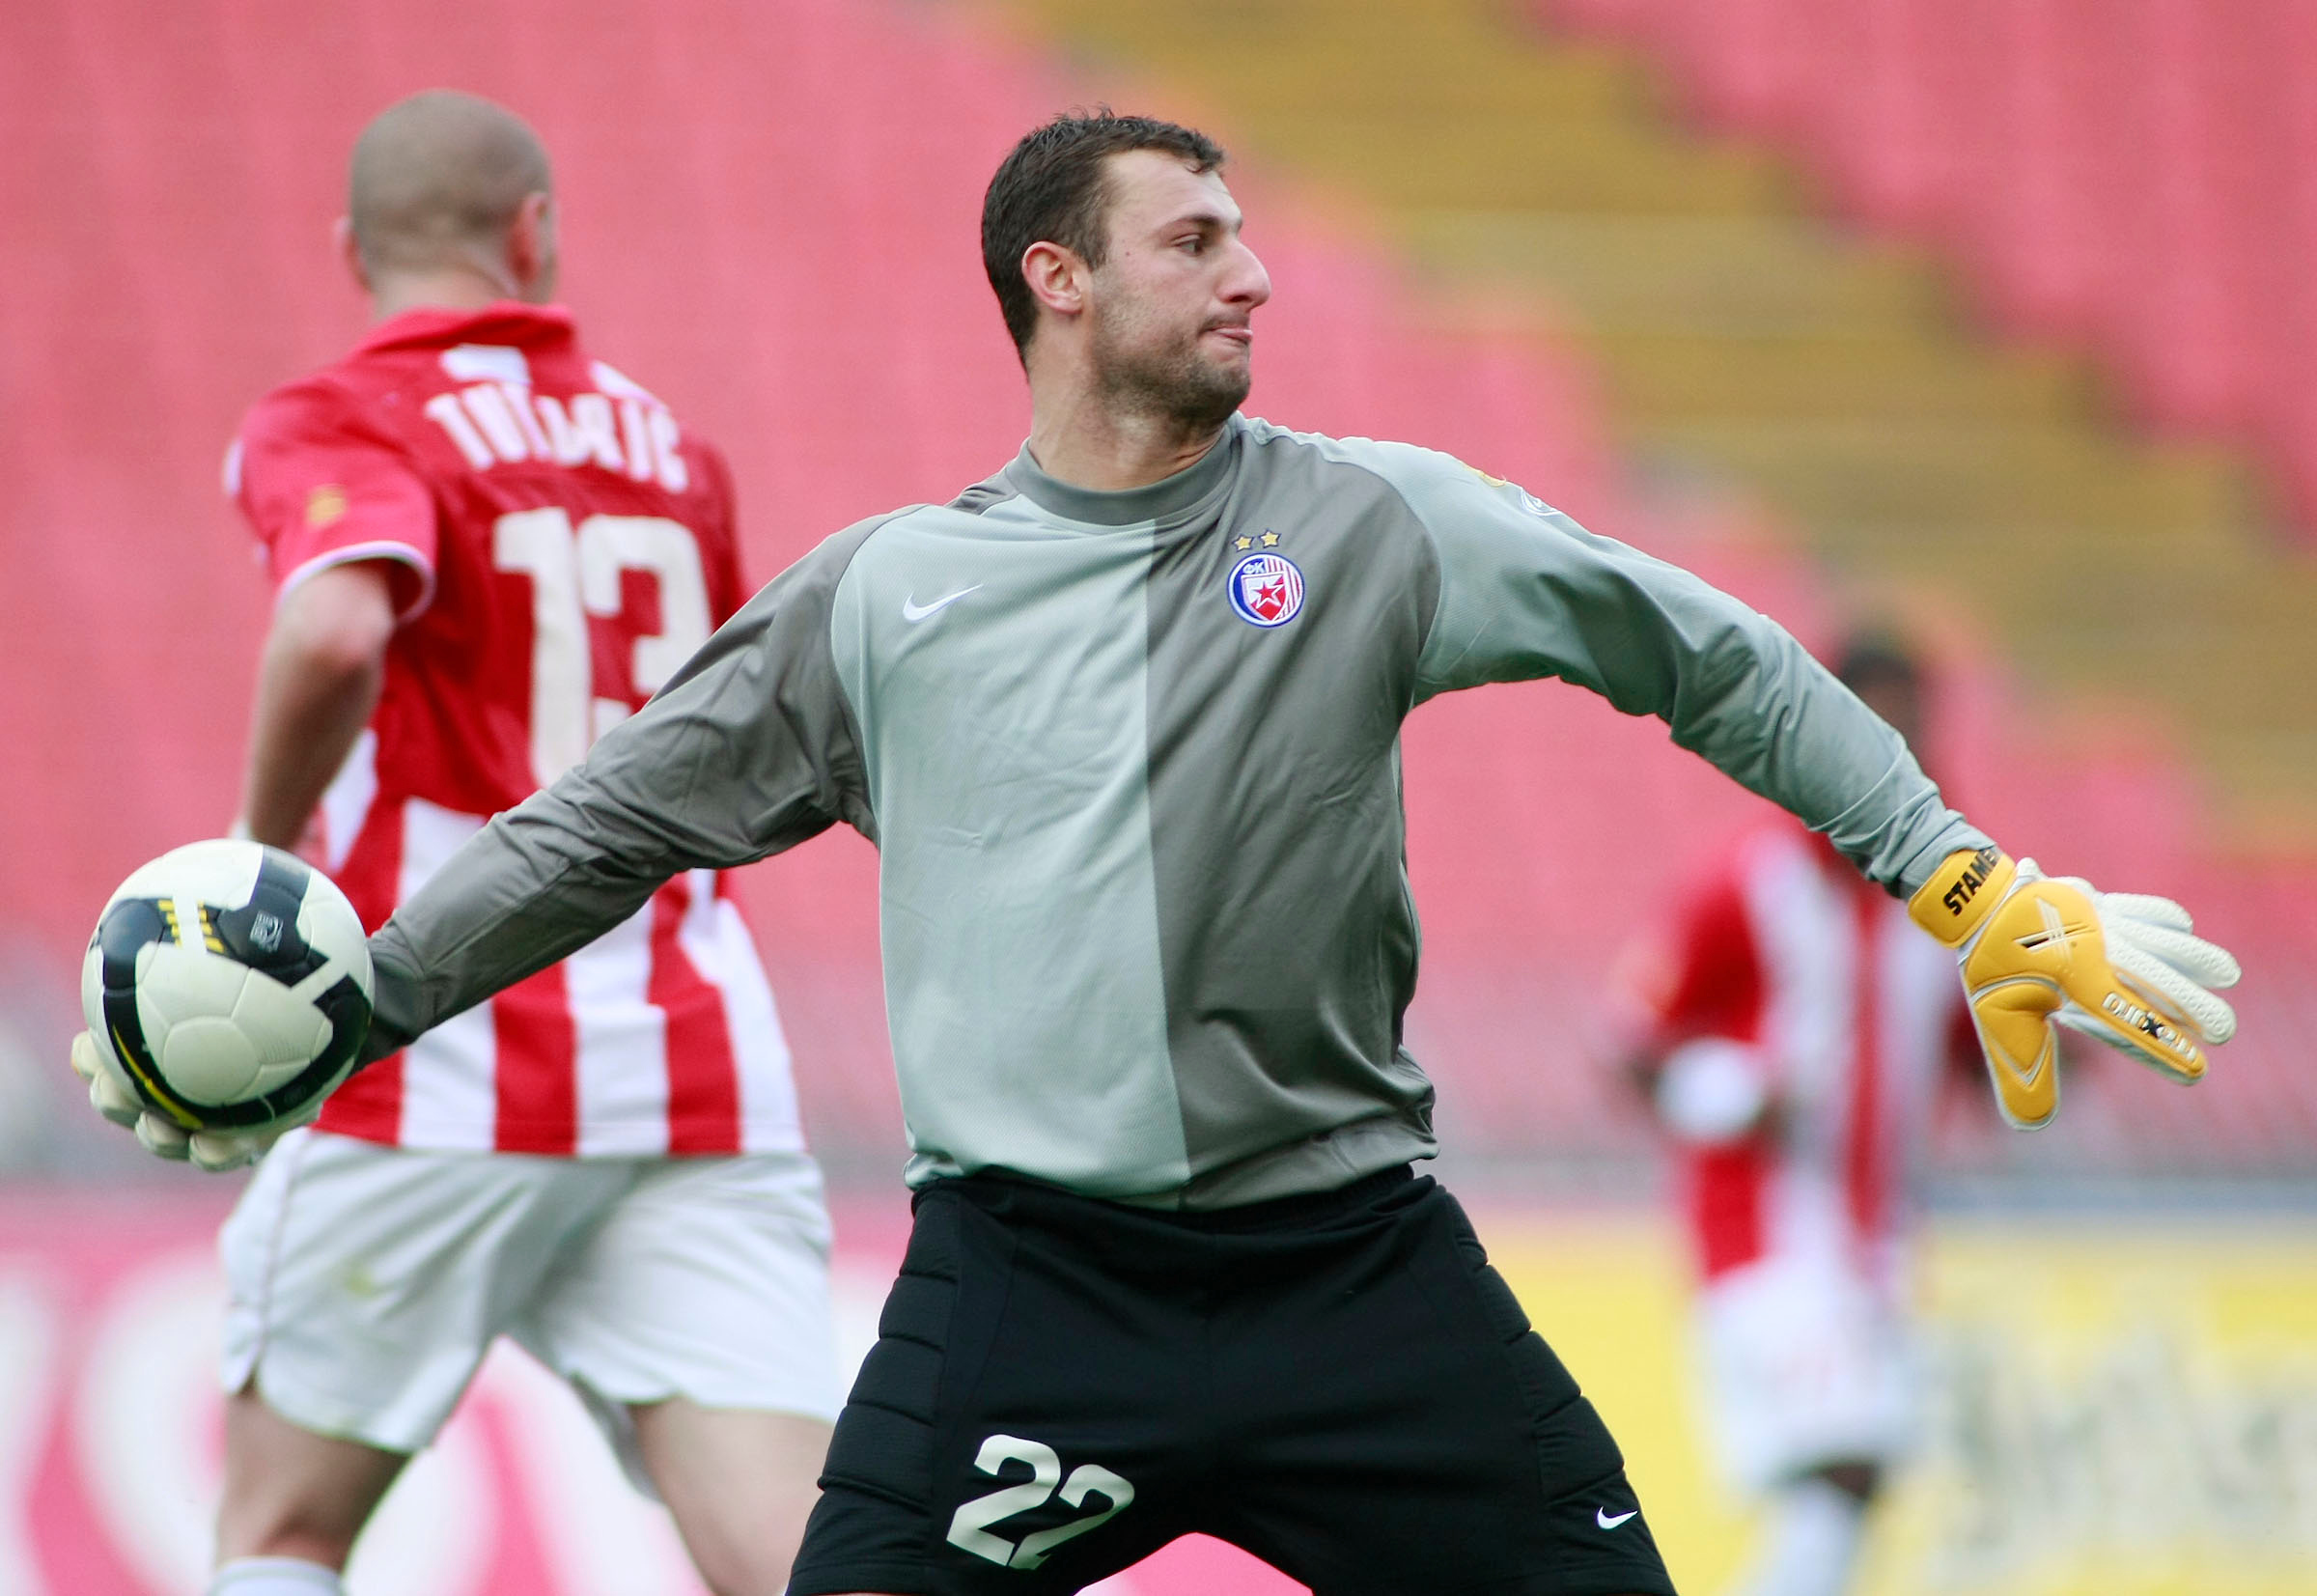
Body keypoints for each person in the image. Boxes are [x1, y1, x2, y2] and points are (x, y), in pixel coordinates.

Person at [81, 110, 2239, 1596]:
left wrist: (1967, 883)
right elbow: (594, 831)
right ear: (1056, 279)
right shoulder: (880, 596)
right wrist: (357, 996)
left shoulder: (1378, 518)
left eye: (1250, 236)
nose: (1256, 274)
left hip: (1360, 1275)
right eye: (1196, 240)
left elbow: (1718, 656)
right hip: (1030, 1291)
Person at [87, 92, 841, 1596]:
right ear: (533, 237)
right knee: (793, 1559)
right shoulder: (670, 448)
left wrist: (255, 851)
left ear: (351, 250)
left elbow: (338, 622)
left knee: (288, 1529)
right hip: (692, 1059)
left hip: (433, 1047)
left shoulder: (340, 414)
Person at [1619, 633, 1980, 1596]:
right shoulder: (1750, 883)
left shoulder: (1945, 904)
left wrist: (2073, 1021)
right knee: (1845, 1467)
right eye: (1870, 722)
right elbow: (1633, 1050)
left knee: (1851, 1494)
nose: (1894, 743)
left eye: (1908, 723)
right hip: (1764, 1236)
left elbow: (1978, 1061)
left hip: (1879, 1244)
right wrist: (1738, 1091)